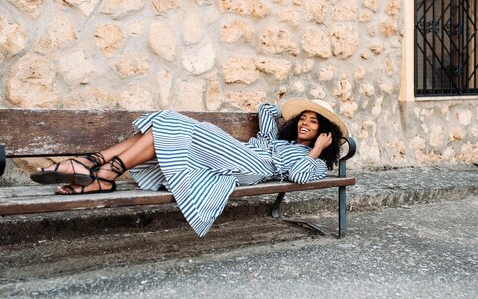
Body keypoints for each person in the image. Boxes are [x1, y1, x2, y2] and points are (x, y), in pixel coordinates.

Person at [30, 98, 349, 236]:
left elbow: (299, 175)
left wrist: (318, 148)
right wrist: (301, 110)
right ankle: (101, 169)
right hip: (241, 152)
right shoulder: (277, 139)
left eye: (314, 122)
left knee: (173, 122)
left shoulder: (316, 163)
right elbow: (267, 109)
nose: (306, 124)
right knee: (163, 128)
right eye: (303, 119)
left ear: (325, 133)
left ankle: (95, 166)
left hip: (253, 165)